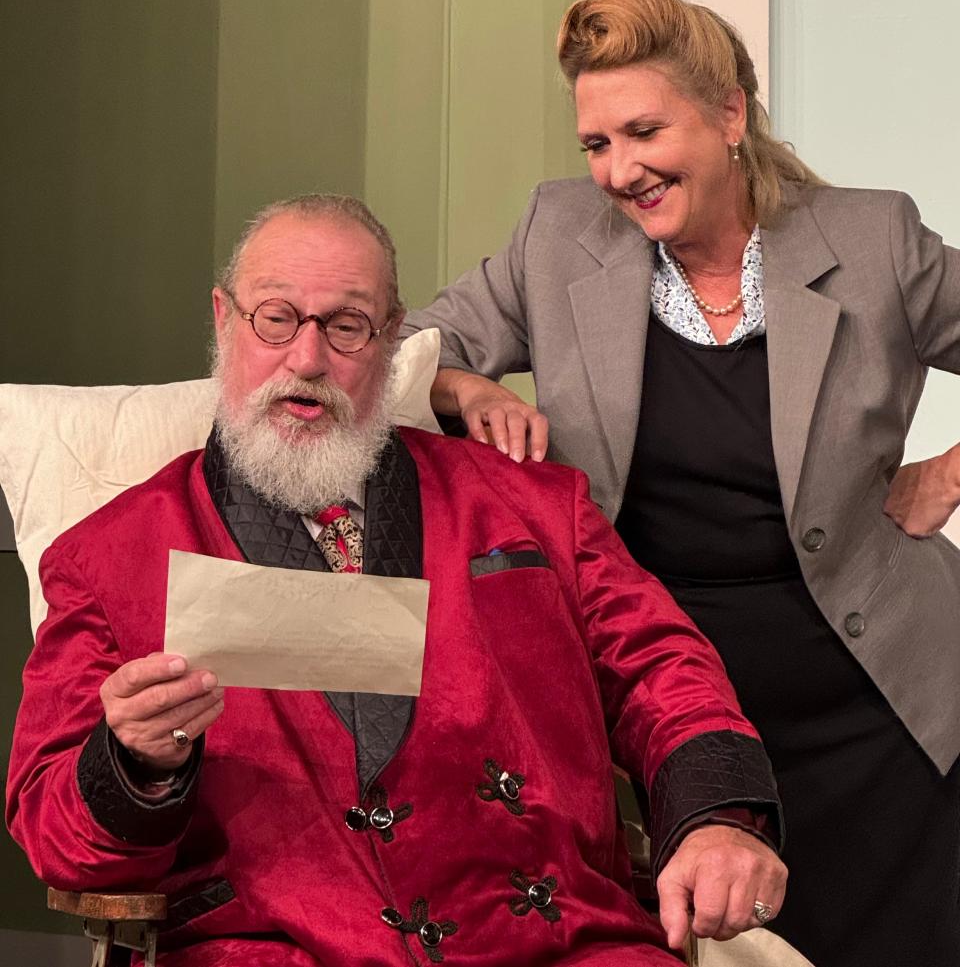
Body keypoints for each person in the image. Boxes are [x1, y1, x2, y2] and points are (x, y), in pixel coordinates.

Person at [6, 194, 787, 967]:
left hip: (559, 939)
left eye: (346, 325)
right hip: (279, 946)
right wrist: (134, 761)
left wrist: (717, 818)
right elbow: (57, 837)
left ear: (389, 337)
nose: (307, 360)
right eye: (276, 318)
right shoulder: (106, 558)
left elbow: (662, 667)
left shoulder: (533, 505)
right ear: (224, 320)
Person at [400, 0, 960, 967]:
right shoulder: (558, 235)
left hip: (877, 705)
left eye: (643, 131)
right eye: (596, 144)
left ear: (729, 114)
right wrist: (461, 388)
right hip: (666, 706)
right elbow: (399, 348)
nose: (618, 171)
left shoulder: (874, 241)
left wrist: (955, 468)